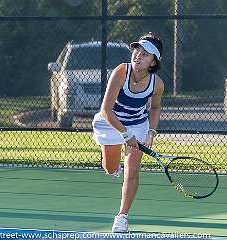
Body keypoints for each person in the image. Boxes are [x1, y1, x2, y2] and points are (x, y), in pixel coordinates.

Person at [92, 32, 164, 233]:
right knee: (111, 168)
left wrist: (151, 131)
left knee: (132, 172)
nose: (138, 55)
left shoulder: (157, 84)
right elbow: (106, 110)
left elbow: (155, 108)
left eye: (145, 54)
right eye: (137, 50)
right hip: (110, 122)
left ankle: (122, 216)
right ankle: (113, 167)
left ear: (153, 61)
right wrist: (125, 134)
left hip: (138, 124)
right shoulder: (121, 72)